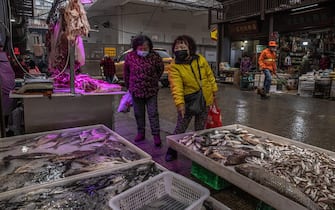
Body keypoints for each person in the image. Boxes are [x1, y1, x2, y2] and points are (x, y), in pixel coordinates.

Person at [165, 35, 218, 162]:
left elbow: (209, 76)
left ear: (190, 48)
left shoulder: (200, 59)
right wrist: (179, 104)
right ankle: (172, 150)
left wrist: (214, 91)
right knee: (180, 128)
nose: (179, 49)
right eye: (177, 47)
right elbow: (176, 86)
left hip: (205, 98)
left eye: (183, 47)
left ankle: (198, 150)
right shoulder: (174, 66)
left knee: (200, 129)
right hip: (188, 102)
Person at [124, 35, 164, 147]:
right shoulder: (130, 57)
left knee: (153, 114)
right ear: (136, 47)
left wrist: (154, 80)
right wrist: (129, 87)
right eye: (140, 49)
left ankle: (156, 135)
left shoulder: (155, 56)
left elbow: (160, 69)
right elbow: (126, 73)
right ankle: (140, 133)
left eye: (145, 48)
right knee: (138, 114)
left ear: (150, 47)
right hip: (136, 91)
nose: (143, 51)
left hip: (151, 91)